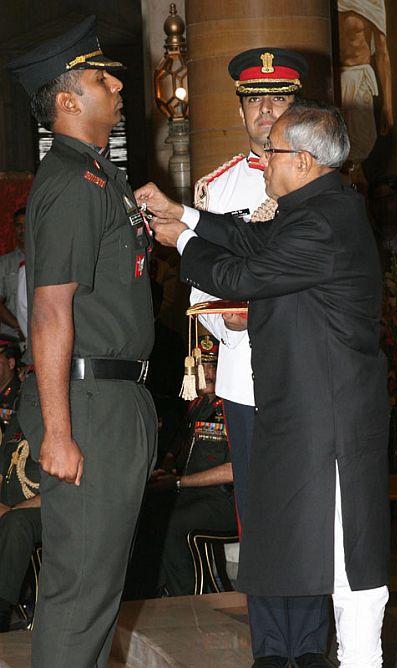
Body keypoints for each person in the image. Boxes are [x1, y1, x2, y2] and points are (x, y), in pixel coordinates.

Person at [136, 102, 390, 667]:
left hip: (332, 422)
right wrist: (185, 215)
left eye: (271, 151)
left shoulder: (322, 221)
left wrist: (179, 242)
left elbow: (239, 275)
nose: (262, 160)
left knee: (348, 561)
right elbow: (251, 237)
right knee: (318, 548)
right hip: (311, 411)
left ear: (301, 160)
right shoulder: (317, 203)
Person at [7, 15, 157, 668]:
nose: (118, 87)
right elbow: (48, 313)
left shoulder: (97, 177)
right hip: (87, 402)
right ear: (69, 99)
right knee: (80, 595)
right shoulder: (72, 182)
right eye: (103, 78)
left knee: (97, 590)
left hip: (110, 398)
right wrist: (59, 431)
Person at [190, 48, 331, 667]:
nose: (267, 110)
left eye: (280, 100)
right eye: (256, 100)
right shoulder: (220, 188)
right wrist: (228, 320)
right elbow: (201, 289)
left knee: (310, 511)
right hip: (248, 375)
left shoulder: (321, 179)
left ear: (296, 108)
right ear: (242, 109)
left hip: (307, 378)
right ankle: (272, 646)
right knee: (258, 513)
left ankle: (310, 641)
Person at [129, 334, 236, 598]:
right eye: (203, 366)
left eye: (215, 365)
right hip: (190, 495)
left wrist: (178, 482)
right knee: (142, 513)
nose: (208, 373)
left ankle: (185, 597)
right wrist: (164, 471)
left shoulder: (235, 409)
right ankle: (150, 592)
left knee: (171, 524)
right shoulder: (197, 406)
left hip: (226, 501)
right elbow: (176, 453)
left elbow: (235, 469)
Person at [338, 0, 393, 164]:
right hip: (333, 78)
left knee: (361, 141)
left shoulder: (373, 2)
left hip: (359, 77)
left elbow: (382, 54)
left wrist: (387, 105)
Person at [0, 413, 41, 632]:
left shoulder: (71, 416)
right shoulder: (22, 414)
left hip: (48, 512)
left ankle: (2, 609)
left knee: (16, 524)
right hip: (9, 509)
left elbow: (63, 491)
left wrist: (10, 511)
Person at [0, 207, 26, 340]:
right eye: (18, 225)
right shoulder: (4, 263)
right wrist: (19, 326)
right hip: (12, 337)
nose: (22, 230)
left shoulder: (47, 260)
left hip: (45, 335)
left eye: (26, 225)